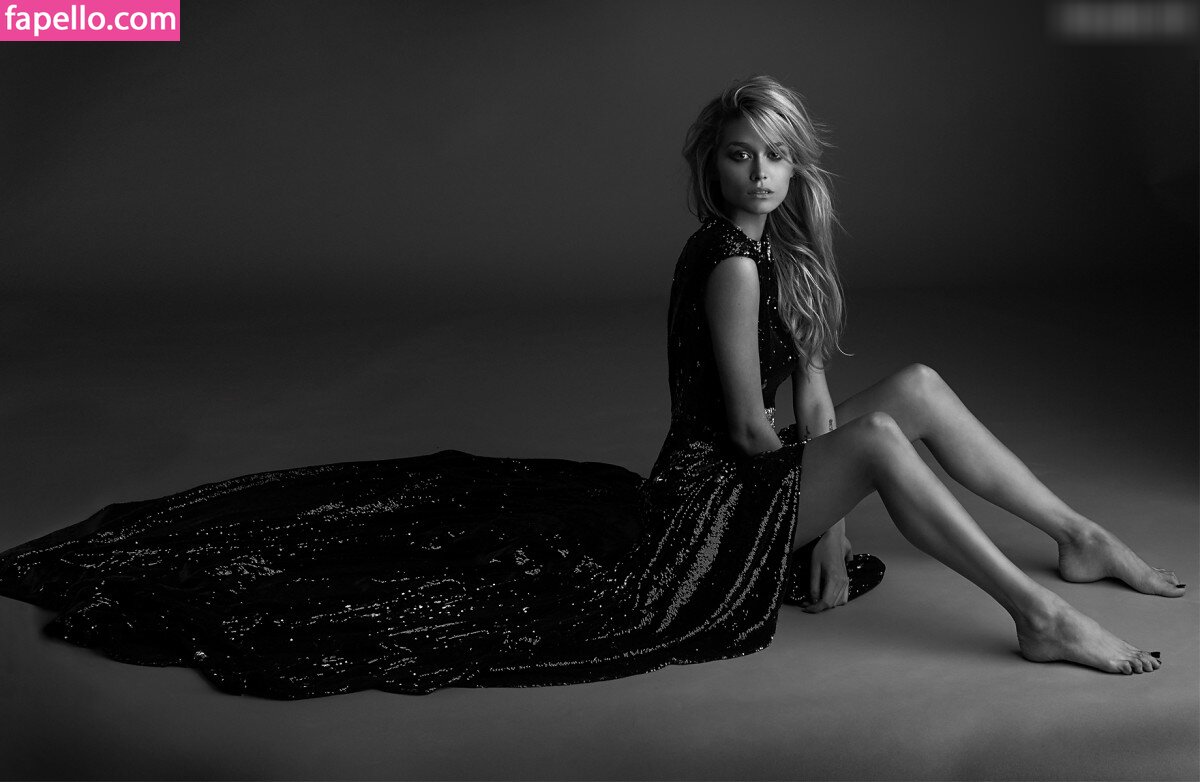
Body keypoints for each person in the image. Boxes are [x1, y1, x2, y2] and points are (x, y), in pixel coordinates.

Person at [0, 76, 1183, 700]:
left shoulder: (784, 253)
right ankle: (1036, 614)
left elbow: (816, 392)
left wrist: (828, 530)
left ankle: (1075, 537)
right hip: (707, 509)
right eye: (738, 155)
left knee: (911, 385)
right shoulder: (729, 264)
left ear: (796, 167)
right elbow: (751, 430)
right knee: (884, 441)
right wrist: (829, 500)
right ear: (709, 165)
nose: (759, 172)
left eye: (775, 155)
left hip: (764, 489)